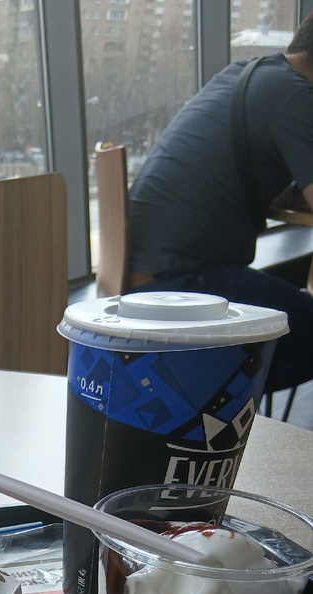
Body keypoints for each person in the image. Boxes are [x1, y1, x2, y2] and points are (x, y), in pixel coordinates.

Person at [127, 14, 313, 393]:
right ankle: (205, 398)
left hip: (150, 275)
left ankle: (206, 402)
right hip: (182, 286)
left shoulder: (249, 73)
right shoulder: (298, 96)